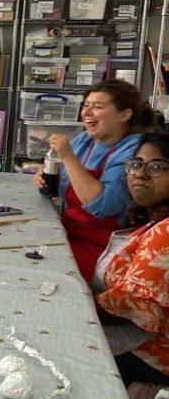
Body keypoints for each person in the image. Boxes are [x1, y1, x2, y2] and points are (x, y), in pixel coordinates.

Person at [32, 80, 155, 283]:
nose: (87, 113)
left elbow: (102, 206)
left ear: (125, 115)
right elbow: (59, 190)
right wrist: (44, 178)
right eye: (86, 105)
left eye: (98, 107)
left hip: (107, 245)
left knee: (49, 275)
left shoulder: (135, 151)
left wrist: (68, 157)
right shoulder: (84, 141)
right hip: (69, 232)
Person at [93, 132, 169, 387]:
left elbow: (137, 310)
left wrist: (71, 308)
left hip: (150, 361)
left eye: (156, 167)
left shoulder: (165, 231)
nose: (140, 174)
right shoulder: (154, 220)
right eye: (136, 164)